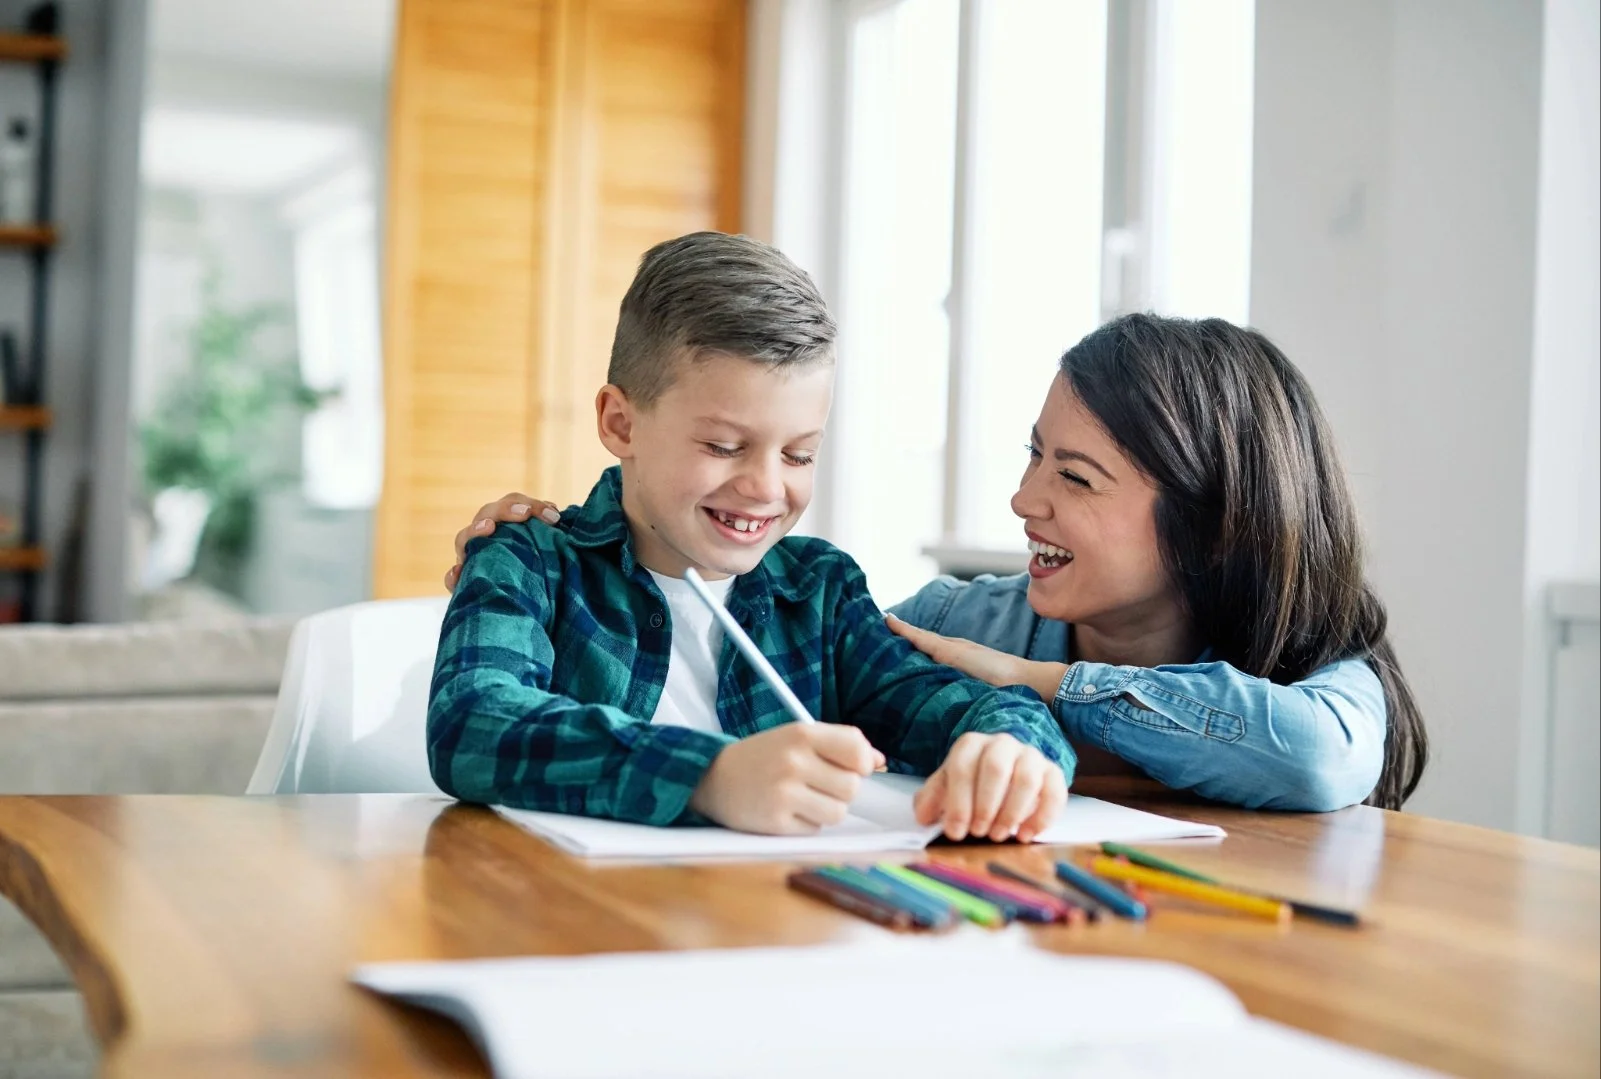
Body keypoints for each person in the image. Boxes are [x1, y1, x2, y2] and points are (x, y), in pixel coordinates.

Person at [452, 312, 1428, 812]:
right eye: (1030, 454)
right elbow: (823, 655)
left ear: (1211, 523)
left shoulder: (1318, 660)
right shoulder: (961, 625)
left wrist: (1040, 685)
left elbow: (1309, 755)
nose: (1021, 499)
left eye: (1075, 476)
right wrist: (577, 549)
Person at [429, 231, 1073, 842]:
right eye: (723, 446)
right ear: (621, 423)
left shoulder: (819, 593)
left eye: (798, 455)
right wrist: (710, 776)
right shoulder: (527, 559)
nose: (765, 488)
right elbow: (470, 724)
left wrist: (1012, 752)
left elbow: (969, 707)